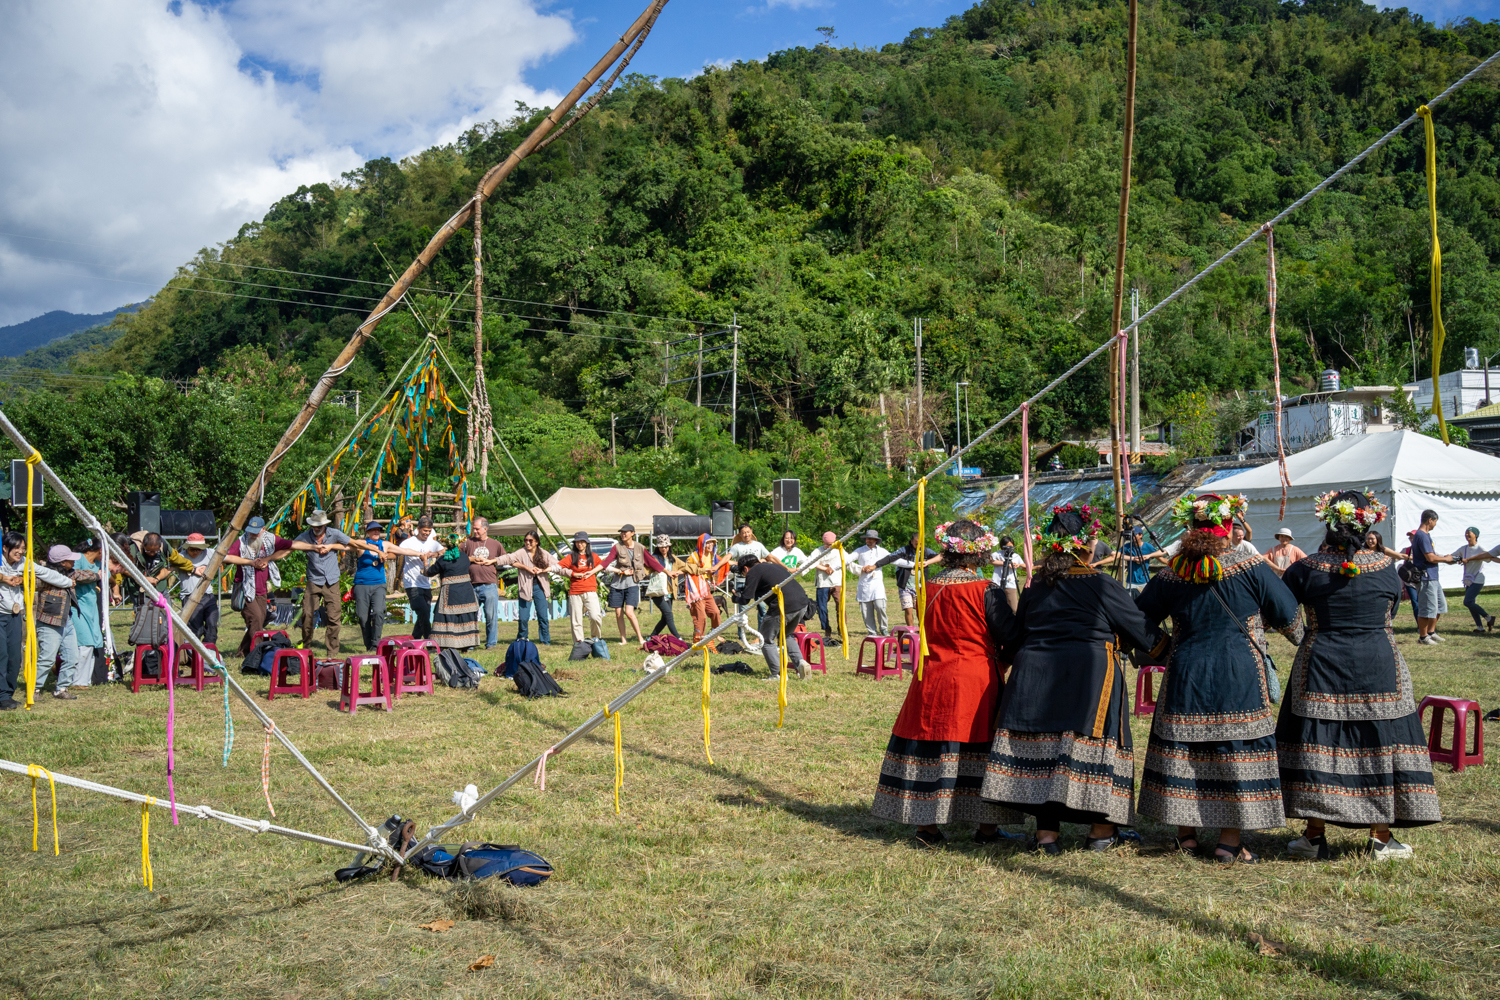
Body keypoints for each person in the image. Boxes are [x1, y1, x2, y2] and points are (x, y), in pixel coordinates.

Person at [981, 505, 1166, 852]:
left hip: (1035, 674)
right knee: (1095, 750)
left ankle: (1046, 836)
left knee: (1045, 752)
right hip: (1090, 675)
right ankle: (1100, 832)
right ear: (1085, 545)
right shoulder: (1100, 584)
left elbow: (1020, 633)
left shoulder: (1036, 588)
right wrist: (1169, 652)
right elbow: (1140, 630)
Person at [1135, 493, 1302, 864]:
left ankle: (1187, 836)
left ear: (1191, 527)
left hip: (1186, 670)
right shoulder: (1250, 565)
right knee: (1235, 749)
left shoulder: (1172, 571)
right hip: (1238, 671)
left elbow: (1138, 619)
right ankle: (1229, 842)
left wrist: (1163, 648)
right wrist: (1297, 637)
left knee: (1185, 749)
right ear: (1229, 528)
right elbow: (1288, 616)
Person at [1277, 488, 1441, 860]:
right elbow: (1393, 610)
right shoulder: (1385, 567)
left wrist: (1304, 637)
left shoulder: (1306, 568)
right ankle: (1381, 838)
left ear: (1329, 522)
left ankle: (1314, 836)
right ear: (1367, 522)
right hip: (1378, 663)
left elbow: (1282, 611)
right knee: (1378, 740)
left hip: (1320, 663)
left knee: (1321, 740)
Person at [875, 519, 1016, 847]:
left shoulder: (928, 586)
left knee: (933, 748)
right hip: (975, 680)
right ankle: (986, 829)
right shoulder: (985, 590)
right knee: (979, 750)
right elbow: (1009, 635)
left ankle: (927, 829)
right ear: (978, 551)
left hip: (933, 677)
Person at [0, 533, 74, 708]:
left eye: (23, 549)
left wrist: (67, 582)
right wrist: (3, 578)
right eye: (16, 548)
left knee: (14, 656)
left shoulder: (23, 563)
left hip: (15, 614)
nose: (20, 552)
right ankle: (2, 696)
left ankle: (8, 694)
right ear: (5, 548)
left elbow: (45, 573)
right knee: (1, 655)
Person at [32, 544, 98, 700]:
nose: (74, 562)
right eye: (70, 559)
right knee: (47, 658)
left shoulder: (71, 574)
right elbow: (31, 583)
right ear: (62, 562)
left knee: (72, 657)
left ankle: (61, 688)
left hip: (66, 621)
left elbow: (86, 575)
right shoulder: (45, 576)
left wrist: (100, 574)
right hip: (49, 621)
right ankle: (34, 689)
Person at [226, 516, 295, 655]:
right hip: (244, 587)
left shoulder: (270, 539)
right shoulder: (241, 541)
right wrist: (249, 562)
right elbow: (226, 557)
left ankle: (243, 651)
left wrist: (269, 558)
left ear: (263, 529)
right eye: (250, 530)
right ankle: (259, 653)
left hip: (262, 589)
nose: (252, 534)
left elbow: (291, 547)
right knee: (256, 618)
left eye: (256, 531)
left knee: (259, 621)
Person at [737, 552, 811, 680]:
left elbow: (745, 599)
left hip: (784, 605)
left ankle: (778, 674)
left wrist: (735, 596)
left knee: (766, 639)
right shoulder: (770, 566)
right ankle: (801, 664)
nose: (745, 576)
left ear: (745, 568)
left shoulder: (753, 572)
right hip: (802, 603)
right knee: (785, 635)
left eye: (743, 574)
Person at [292, 510, 355, 654]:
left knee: (334, 617)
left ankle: (332, 651)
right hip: (313, 581)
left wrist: (333, 546)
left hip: (332, 581)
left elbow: (352, 545)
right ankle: (306, 645)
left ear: (325, 525)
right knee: (307, 614)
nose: (316, 527)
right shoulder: (305, 537)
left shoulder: (334, 534)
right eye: (314, 525)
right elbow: (291, 546)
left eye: (319, 525)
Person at [597, 524, 665, 646]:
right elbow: (606, 562)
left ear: (632, 533)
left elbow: (652, 562)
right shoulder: (616, 547)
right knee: (618, 613)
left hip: (632, 583)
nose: (623, 534)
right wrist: (601, 569)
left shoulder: (640, 547)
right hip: (617, 584)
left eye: (626, 532)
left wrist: (667, 572)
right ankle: (623, 640)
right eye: (621, 532)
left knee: (629, 612)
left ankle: (640, 638)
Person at [493, 529, 558, 644]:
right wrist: (494, 560)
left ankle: (545, 640)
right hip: (525, 587)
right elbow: (509, 558)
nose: (527, 543)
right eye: (525, 540)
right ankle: (522, 639)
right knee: (523, 617)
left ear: (537, 542)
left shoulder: (543, 553)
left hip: (540, 587)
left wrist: (543, 570)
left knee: (543, 616)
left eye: (530, 541)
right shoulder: (521, 552)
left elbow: (557, 565)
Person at [426, 532, 481, 649]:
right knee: (464, 615)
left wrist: (424, 561)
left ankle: (446, 643)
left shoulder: (443, 560)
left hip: (450, 592)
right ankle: (465, 645)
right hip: (466, 592)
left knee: (446, 615)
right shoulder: (465, 557)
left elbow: (429, 572)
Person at [395, 516, 445, 640]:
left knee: (425, 612)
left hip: (425, 584)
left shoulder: (432, 543)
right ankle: (429, 640)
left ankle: (415, 637)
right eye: (424, 531)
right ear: (418, 529)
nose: (426, 534)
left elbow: (444, 551)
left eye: (429, 531)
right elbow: (397, 551)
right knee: (423, 611)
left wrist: (434, 554)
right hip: (411, 583)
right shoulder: (408, 542)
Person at [1410, 509, 1455, 644]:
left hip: (1433, 576)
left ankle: (1431, 632)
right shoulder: (1422, 536)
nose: (1435, 524)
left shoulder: (1425, 535)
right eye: (1435, 522)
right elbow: (1430, 557)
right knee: (1426, 608)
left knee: (1439, 606)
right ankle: (1423, 637)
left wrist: (1445, 558)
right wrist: (1446, 559)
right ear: (1430, 520)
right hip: (1426, 577)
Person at [876, 533, 940, 627]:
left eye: (921, 544)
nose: (919, 546)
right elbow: (890, 557)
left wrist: (928, 562)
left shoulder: (926, 551)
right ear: (911, 542)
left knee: (921, 610)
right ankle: (911, 631)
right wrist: (876, 565)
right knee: (908, 609)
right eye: (916, 543)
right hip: (905, 586)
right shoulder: (904, 550)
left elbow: (939, 557)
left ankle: (921, 630)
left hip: (921, 586)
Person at [557, 531, 606, 646]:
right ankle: (579, 643)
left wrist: (618, 570)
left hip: (590, 590)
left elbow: (603, 566)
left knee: (595, 616)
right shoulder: (570, 557)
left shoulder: (593, 556)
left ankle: (596, 638)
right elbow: (559, 568)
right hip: (575, 591)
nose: (580, 544)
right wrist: (572, 574)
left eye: (582, 542)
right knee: (576, 620)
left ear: (586, 543)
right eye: (577, 542)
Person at [72, 538, 106, 688]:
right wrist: (96, 576)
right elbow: (75, 575)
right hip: (77, 606)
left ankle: (85, 680)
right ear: (100, 551)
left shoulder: (98, 563)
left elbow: (107, 575)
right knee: (84, 642)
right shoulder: (78, 558)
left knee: (91, 643)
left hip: (91, 606)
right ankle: (77, 680)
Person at [684, 533, 728, 647]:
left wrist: (740, 563)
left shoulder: (713, 556)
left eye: (712, 542)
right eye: (707, 542)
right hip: (697, 590)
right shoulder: (694, 556)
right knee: (701, 617)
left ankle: (713, 635)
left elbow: (724, 563)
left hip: (706, 589)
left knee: (715, 612)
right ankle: (698, 642)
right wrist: (704, 570)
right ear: (701, 544)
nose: (710, 545)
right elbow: (687, 568)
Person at [1450, 527, 1495, 633]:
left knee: (1468, 601)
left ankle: (1488, 618)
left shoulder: (1480, 548)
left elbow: (1490, 558)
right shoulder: (1464, 548)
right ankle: (1480, 627)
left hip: (1478, 578)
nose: (1466, 535)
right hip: (1468, 579)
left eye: (1469, 533)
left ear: (1476, 535)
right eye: (1465, 533)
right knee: (1471, 603)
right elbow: (1452, 556)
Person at [178, 534, 220, 646]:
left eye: (199, 549)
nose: (196, 552)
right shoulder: (180, 557)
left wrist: (251, 562)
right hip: (190, 597)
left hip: (208, 595)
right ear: (187, 548)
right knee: (196, 630)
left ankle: (208, 651)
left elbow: (229, 558)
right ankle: (194, 655)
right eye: (193, 549)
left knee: (212, 625)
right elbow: (168, 569)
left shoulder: (210, 553)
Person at [849, 528, 892, 636]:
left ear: (876, 540)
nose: (869, 541)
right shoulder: (859, 550)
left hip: (877, 583)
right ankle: (872, 631)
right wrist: (861, 568)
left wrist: (912, 564)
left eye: (871, 539)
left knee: (880, 606)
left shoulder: (882, 551)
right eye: (868, 538)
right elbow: (847, 560)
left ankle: (883, 628)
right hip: (864, 584)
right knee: (866, 610)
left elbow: (893, 559)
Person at [728, 524, 770, 630]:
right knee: (743, 609)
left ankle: (761, 632)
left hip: (758, 580)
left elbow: (768, 557)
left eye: (747, 532)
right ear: (740, 534)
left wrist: (762, 561)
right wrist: (739, 563)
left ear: (751, 531)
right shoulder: (737, 547)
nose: (746, 534)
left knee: (762, 607)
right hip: (742, 579)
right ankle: (742, 634)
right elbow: (727, 560)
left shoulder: (759, 545)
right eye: (743, 533)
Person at [810, 531, 847, 642]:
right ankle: (826, 629)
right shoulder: (818, 551)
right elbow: (811, 562)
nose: (829, 547)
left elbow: (847, 560)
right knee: (822, 608)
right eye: (827, 544)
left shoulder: (839, 550)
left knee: (840, 607)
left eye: (831, 544)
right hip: (823, 583)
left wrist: (833, 568)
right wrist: (825, 568)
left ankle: (842, 629)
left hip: (837, 582)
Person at [644, 534, 682, 638]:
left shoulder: (672, 558)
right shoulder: (654, 558)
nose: (664, 548)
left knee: (665, 618)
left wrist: (679, 571)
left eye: (666, 546)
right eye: (661, 546)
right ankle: (678, 638)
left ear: (669, 547)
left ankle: (651, 637)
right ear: (657, 547)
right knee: (669, 615)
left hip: (669, 591)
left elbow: (685, 566)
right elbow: (645, 569)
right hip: (658, 591)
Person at [1118, 525, 1161, 595]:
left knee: (1146, 600)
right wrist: (1133, 558)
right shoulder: (1127, 546)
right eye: (1131, 535)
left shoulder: (1148, 546)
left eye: (1135, 534)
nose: (1132, 536)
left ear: (1141, 535)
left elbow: (1159, 556)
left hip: (1144, 580)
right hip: (1131, 580)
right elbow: (1118, 555)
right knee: (1130, 601)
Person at [989, 535, 1023, 611]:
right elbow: (989, 560)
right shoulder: (997, 554)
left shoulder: (1016, 556)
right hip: (997, 583)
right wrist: (1005, 563)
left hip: (1011, 584)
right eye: (1007, 547)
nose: (1009, 549)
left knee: (1014, 608)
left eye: (1011, 546)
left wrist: (1018, 565)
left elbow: (1024, 567)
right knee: (996, 607)